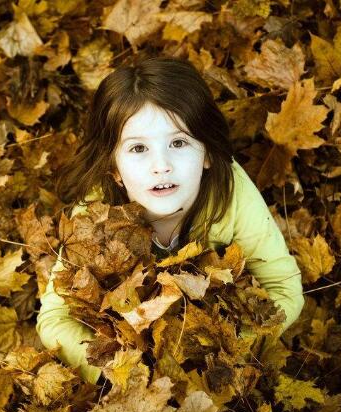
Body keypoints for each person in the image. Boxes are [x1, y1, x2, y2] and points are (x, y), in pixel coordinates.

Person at [36, 56, 304, 384]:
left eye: (178, 143)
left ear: (207, 154)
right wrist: (121, 375)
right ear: (114, 168)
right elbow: (54, 319)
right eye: (138, 149)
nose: (161, 165)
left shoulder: (231, 193)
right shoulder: (95, 214)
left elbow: (285, 289)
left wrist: (226, 354)